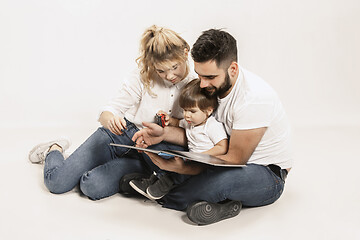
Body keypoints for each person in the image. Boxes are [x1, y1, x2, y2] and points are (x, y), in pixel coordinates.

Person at [131, 29, 293, 225]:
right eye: (199, 75)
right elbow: (199, 134)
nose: (202, 83)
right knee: (165, 151)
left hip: (264, 173)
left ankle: (168, 194)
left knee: (214, 184)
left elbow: (234, 160)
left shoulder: (254, 99)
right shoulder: (211, 87)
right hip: (221, 159)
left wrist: (185, 168)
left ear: (232, 69)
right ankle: (203, 198)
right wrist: (164, 133)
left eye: (210, 77)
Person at [28, 25, 195, 200]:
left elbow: (193, 132)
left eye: (174, 67)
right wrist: (111, 120)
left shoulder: (196, 86)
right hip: (120, 135)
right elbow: (108, 111)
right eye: (161, 70)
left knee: (91, 187)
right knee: (57, 183)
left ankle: (89, 165)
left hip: (147, 151)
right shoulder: (143, 76)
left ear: (185, 53)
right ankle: (54, 148)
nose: (169, 75)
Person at [129, 78, 228, 200]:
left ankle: (166, 182)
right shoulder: (190, 123)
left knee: (180, 172)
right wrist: (169, 119)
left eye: (192, 111)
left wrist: (203, 155)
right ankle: (155, 179)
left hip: (207, 165)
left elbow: (222, 147)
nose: (187, 115)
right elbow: (177, 123)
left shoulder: (212, 125)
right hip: (192, 159)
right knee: (171, 159)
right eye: (184, 110)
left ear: (208, 111)